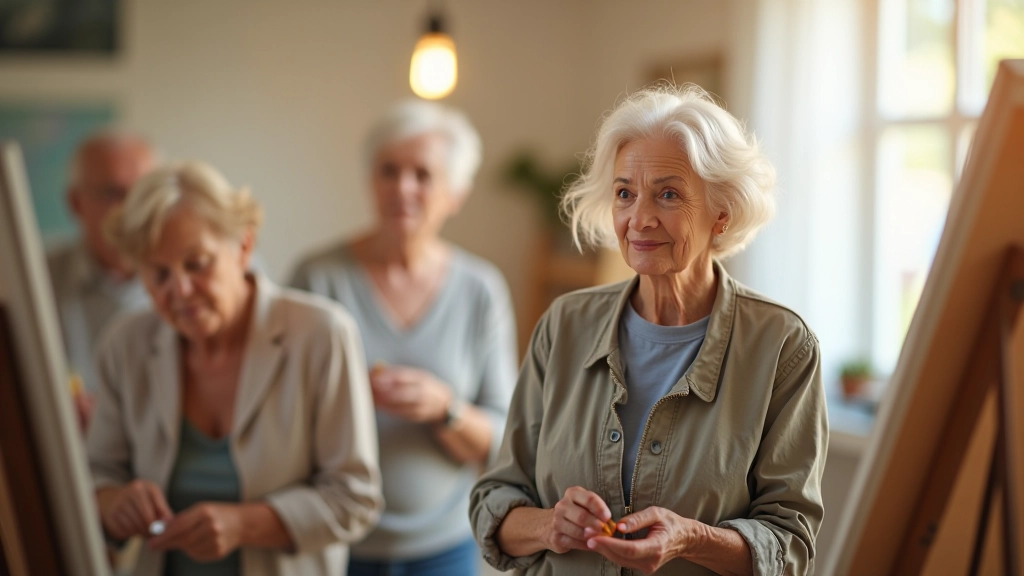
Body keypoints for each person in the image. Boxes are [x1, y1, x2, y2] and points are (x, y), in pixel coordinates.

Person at [470, 86, 828, 576]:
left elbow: (789, 544)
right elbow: (496, 499)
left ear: (721, 212)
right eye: (624, 194)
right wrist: (550, 523)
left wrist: (692, 539)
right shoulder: (564, 325)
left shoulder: (781, 345)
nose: (639, 219)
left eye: (668, 194)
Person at [87, 161, 383, 575]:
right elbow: (97, 474)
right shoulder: (126, 344)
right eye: (158, 274)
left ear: (244, 246)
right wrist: (113, 501)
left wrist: (245, 525)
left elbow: (355, 498)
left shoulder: (321, 334)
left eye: (197, 264)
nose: (181, 291)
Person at [289, 100, 517, 576]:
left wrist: (445, 408)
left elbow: (507, 439)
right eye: (388, 171)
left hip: (446, 548)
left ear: (455, 194)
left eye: (422, 174)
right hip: (333, 542)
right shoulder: (318, 279)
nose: (402, 188)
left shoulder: (480, 289)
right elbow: (281, 417)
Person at [47, 131, 155, 430]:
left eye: (144, 193)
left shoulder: (189, 283)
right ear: (76, 203)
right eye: (114, 194)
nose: (133, 210)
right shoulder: (35, 281)